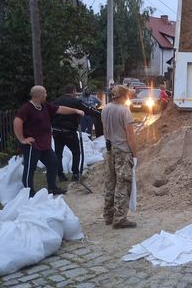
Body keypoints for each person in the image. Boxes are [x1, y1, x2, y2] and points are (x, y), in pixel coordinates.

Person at [13, 85, 84, 196]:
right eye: (44, 93)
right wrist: (22, 139)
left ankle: (52, 188)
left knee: (53, 163)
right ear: (39, 95)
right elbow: (17, 121)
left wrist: (75, 110)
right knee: (30, 168)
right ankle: (29, 192)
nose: (46, 95)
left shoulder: (44, 106)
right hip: (33, 144)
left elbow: (60, 109)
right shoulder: (27, 108)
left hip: (44, 144)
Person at [101, 85, 138, 229]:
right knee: (123, 183)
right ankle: (120, 218)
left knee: (110, 183)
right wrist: (135, 153)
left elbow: (104, 130)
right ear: (124, 95)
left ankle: (108, 215)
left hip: (110, 149)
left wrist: (108, 144)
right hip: (123, 150)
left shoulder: (106, 109)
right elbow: (130, 135)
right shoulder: (124, 111)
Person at [52, 84, 101, 182]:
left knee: (58, 153)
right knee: (76, 152)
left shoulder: (55, 102)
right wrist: (101, 114)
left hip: (56, 132)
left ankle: (60, 174)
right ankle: (75, 174)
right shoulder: (76, 102)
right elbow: (89, 110)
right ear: (74, 91)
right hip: (69, 132)